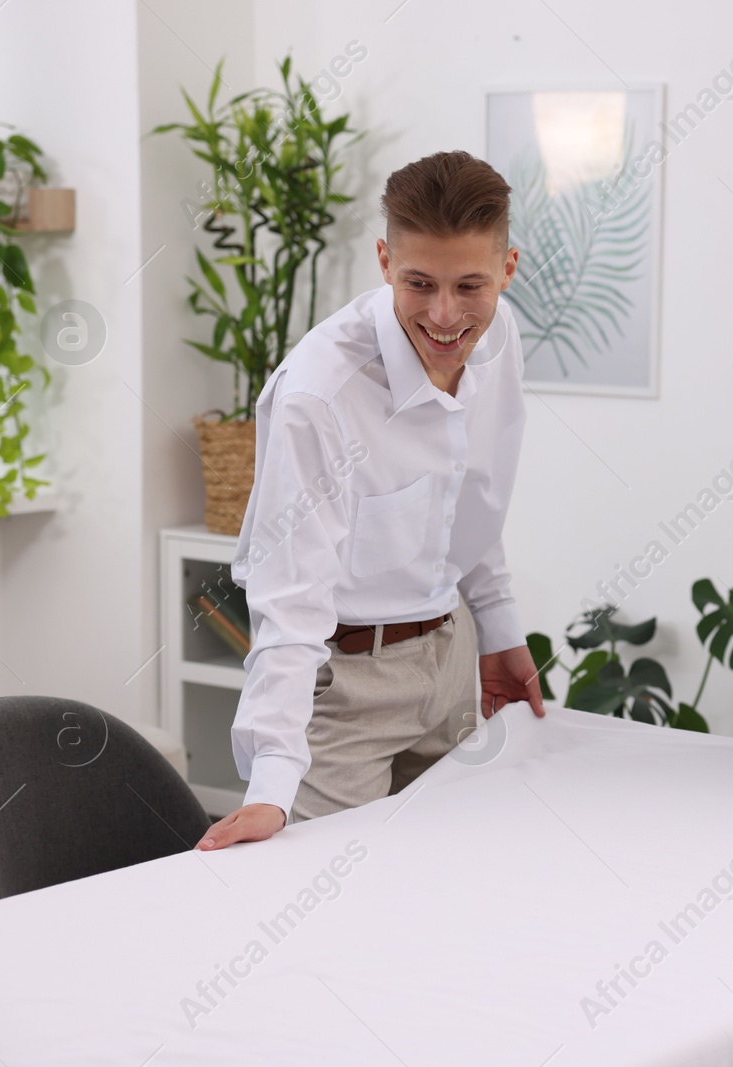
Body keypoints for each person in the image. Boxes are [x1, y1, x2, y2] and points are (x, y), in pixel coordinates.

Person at [197, 151, 544, 851]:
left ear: (507, 269)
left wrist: (501, 634)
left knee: (451, 875)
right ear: (384, 261)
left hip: (450, 657)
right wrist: (272, 786)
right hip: (346, 688)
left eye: (469, 285)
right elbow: (288, 598)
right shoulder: (320, 395)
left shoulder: (499, 338)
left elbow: (469, 499)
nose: (445, 316)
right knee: (312, 906)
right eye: (419, 283)